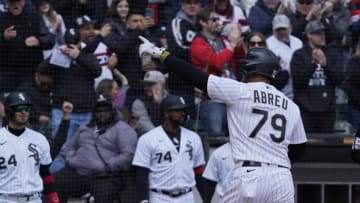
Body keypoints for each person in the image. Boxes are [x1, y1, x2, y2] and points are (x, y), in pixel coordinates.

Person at [138, 36, 307, 203]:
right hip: (282, 177)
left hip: (249, 174)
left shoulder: (240, 90)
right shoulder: (290, 105)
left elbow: (195, 76)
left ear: (251, 68)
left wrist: (161, 54)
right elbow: (299, 148)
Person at [54, 94, 138, 203]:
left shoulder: (123, 129)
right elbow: (71, 146)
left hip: (104, 176)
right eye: (99, 111)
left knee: (103, 197)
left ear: (112, 111)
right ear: (94, 113)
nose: (102, 114)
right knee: (52, 184)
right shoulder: (85, 127)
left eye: (106, 111)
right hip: (77, 173)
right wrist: (71, 159)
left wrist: (109, 165)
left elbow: (128, 154)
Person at [132, 94, 205, 203]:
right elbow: (142, 174)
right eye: (178, 110)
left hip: (187, 196)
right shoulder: (148, 139)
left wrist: (207, 198)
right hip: (159, 196)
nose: (183, 113)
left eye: (183, 110)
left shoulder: (194, 137)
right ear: (166, 113)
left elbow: (198, 171)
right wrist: (143, 200)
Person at [190, 8, 242, 138]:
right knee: (215, 136)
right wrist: (233, 44)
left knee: (234, 136)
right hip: (211, 98)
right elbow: (216, 62)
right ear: (202, 23)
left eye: (219, 20)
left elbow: (239, 57)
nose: (218, 23)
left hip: (230, 95)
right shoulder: (197, 44)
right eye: (214, 20)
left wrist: (237, 41)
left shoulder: (222, 39)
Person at [0, 91, 59, 203]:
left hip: (34, 199)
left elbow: (45, 173)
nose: (24, 112)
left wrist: (54, 198)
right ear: (9, 111)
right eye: (19, 108)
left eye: (26, 108)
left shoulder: (39, 139)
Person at [290, 20, 344, 133]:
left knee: (326, 148)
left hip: (327, 111)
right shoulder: (299, 55)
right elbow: (298, 81)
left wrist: (325, 65)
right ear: (309, 35)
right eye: (318, 33)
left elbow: (339, 79)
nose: (322, 36)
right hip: (305, 111)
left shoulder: (332, 54)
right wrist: (313, 64)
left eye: (323, 33)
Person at [0, 0, 55, 93]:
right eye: (11, 2)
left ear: (23, 2)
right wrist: (3, 36)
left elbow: (50, 39)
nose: (15, 4)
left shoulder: (35, 17)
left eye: (17, 1)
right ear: (7, 3)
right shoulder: (1, 19)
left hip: (30, 71)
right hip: (7, 72)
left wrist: (38, 41)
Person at [166, 0, 201, 109]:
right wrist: (199, 54)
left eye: (195, 3)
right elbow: (176, 49)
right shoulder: (177, 22)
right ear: (182, 6)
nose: (192, 6)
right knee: (184, 117)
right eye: (188, 3)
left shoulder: (201, 25)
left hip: (200, 82)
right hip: (181, 82)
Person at [266, 14, 303, 99]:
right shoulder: (269, 44)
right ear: (273, 30)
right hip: (280, 90)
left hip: (298, 87)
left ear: (290, 27)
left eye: (284, 29)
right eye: (279, 29)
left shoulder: (298, 42)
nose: (282, 32)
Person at [16, 60, 54, 140]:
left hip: (51, 120)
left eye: (48, 83)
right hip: (33, 122)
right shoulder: (25, 89)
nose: (46, 86)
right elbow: (19, 108)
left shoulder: (54, 87)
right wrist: (37, 117)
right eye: (43, 83)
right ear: (37, 75)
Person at [131, 70, 168, 135]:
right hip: (150, 139)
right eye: (145, 85)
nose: (146, 88)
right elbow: (146, 127)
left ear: (161, 85)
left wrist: (160, 103)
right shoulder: (138, 103)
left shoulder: (172, 99)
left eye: (150, 85)